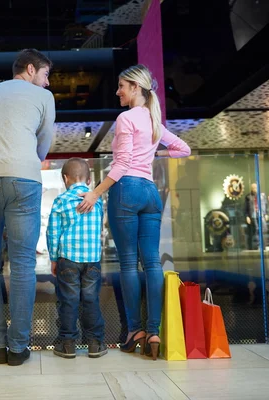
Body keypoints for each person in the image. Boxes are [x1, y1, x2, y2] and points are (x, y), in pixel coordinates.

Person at [77, 64, 190, 360]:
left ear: (136, 88)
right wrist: (155, 153)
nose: (117, 92)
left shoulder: (126, 118)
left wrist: (95, 193)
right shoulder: (154, 121)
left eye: (122, 87)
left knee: (128, 264)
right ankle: (154, 331)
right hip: (150, 192)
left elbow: (122, 164)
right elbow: (183, 149)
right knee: (152, 264)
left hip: (125, 191)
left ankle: (134, 332)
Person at [0, 49, 56, 366]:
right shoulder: (42, 97)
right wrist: (27, 161)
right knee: (22, 265)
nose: (46, 83)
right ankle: (18, 348)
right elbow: (43, 143)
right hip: (24, 179)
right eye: (45, 75)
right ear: (30, 69)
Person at [46, 158, 107, 359]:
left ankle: (68, 345)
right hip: (92, 259)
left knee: (68, 301)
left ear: (65, 178)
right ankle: (95, 344)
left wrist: (54, 259)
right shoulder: (96, 203)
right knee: (91, 300)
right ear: (89, 180)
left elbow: (52, 232)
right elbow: (99, 230)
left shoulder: (61, 201)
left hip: (68, 259)